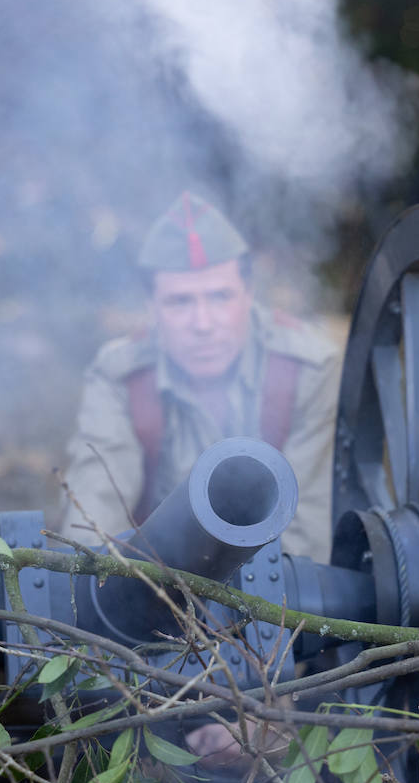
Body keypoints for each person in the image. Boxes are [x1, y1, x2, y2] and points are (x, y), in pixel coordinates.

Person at [57, 190, 341, 563]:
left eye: (220, 297)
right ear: (151, 307)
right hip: (151, 585)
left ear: (248, 294)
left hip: (275, 597)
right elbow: (94, 512)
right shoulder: (120, 373)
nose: (203, 324)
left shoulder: (307, 368)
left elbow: (306, 537)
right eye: (180, 302)